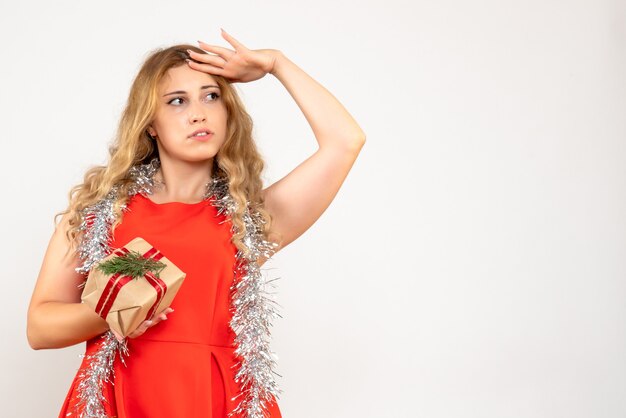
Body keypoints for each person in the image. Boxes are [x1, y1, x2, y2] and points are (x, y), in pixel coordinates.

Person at [26, 29, 365, 418]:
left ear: (226, 112)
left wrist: (275, 63)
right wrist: (114, 313)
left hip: (219, 398)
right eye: (176, 101)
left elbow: (345, 140)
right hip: (118, 394)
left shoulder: (248, 219)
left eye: (211, 95)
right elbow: (40, 327)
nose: (198, 112)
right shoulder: (99, 212)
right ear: (150, 123)